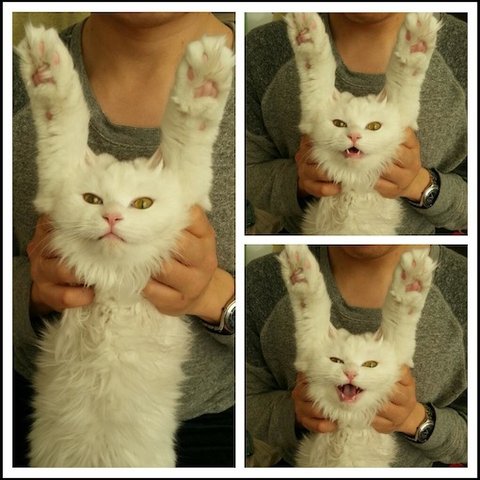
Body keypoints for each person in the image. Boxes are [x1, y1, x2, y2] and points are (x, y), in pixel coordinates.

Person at [13, 12, 235, 467]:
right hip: (38, 407)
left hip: (214, 422)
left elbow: (186, 180)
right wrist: (29, 294)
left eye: (139, 204)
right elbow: (61, 171)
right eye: (96, 200)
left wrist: (218, 298)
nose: (113, 215)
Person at [246, 245, 467, 467]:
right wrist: (291, 413)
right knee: (313, 349)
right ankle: (309, 297)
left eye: (369, 364)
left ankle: (403, 309)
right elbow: (243, 405)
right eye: (337, 361)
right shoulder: (260, 280)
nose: (350, 372)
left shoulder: (464, 282)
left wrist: (415, 419)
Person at [246, 13, 467, 234]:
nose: (354, 135)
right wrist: (296, 182)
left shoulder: (465, 44)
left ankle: (408, 69)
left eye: (372, 127)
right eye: (340, 123)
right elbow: (246, 173)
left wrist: (420, 185)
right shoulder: (261, 49)